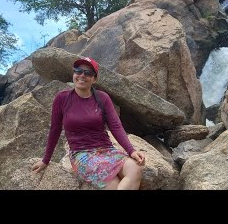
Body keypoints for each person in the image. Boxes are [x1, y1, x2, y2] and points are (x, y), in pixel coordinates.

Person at [32, 56, 145, 190]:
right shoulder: (62, 98)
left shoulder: (103, 98)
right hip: (82, 154)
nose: (82, 76)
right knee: (114, 185)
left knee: (136, 168)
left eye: (88, 73)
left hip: (107, 150)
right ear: (74, 74)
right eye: (78, 71)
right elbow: (55, 130)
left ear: (94, 79)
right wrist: (46, 159)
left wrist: (131, 150)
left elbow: (115, 126)